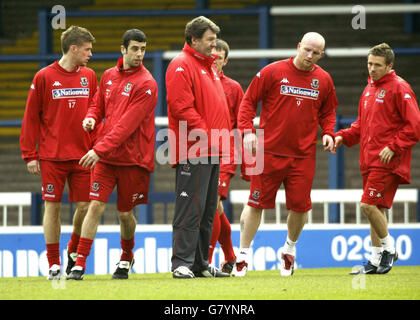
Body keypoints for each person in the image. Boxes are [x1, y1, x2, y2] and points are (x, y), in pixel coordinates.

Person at [233, 32, 338, 277]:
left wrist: (329, 132)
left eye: (316, 53)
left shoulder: (324, 80)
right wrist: (247, 132)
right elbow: (247, 103)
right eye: (307, 50)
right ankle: (243, 254)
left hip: (302, 156)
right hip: (268, 151)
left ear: (321, 55)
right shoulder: (272, 71)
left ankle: (289, 250)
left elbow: (329, 112)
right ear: (298, 46)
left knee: (300, 207)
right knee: (255, 202)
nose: (310, 56)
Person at [67, 29, 158, 280]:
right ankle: (80, 263)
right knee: (94, 205)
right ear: (123, 49)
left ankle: (127, 256)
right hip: (106, 159)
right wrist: (91, 117)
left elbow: (126, 126)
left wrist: (98, 149)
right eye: (135, 49)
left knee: (124, 214)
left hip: (132, 159)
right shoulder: (107, 76)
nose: (139, 54)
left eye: (143, 49)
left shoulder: (148, 84)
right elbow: (98, 104)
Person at [335, 43, 420, 275]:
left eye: (377, 65)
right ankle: (374, 260)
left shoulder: (400, 88)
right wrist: (342, 136)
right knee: (377, 209)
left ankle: (389, 250)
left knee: (368, 205)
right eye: (369, 64)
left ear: (389, 66)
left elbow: (415, 126)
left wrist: (394, 146)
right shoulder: (369, 88)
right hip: (369, 159)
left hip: (387, 161)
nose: (372, 69)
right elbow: (361, 126)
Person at [20, 26, 97, 280]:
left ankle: (73, 248)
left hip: (84, 155)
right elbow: (31, 118)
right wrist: (30, 154)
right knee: (52, 208)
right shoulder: (43, 77)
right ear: (73, 48)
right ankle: (54, 263)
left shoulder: (90, 76)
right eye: (87, 49)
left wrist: (97, 146)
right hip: (52, 156)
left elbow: (97, 114)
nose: (90, 54)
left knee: (86, 206)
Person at [166, 16, 231, 278]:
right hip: (195, 149)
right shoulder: (181, 65)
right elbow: (180, 107)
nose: (214, 48)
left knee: (206, 211)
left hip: (212, 149)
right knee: (189, 209)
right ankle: (181, 263)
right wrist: (205, 135)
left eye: (215, 42)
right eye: (209, 41)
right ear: (194, 40)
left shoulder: (208, 67)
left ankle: (200, 263)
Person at [208, 39, 247, 274]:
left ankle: (203, 259)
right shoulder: (198, 82)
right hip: (200, 152)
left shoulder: (233, 88)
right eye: (211, 56)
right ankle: (230, 256)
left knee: (211, 203)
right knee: (216, 207)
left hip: (224, 154)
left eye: (219, 57)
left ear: (226, 61)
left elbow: (242, 124)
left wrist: (247, 161)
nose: (214, 61)